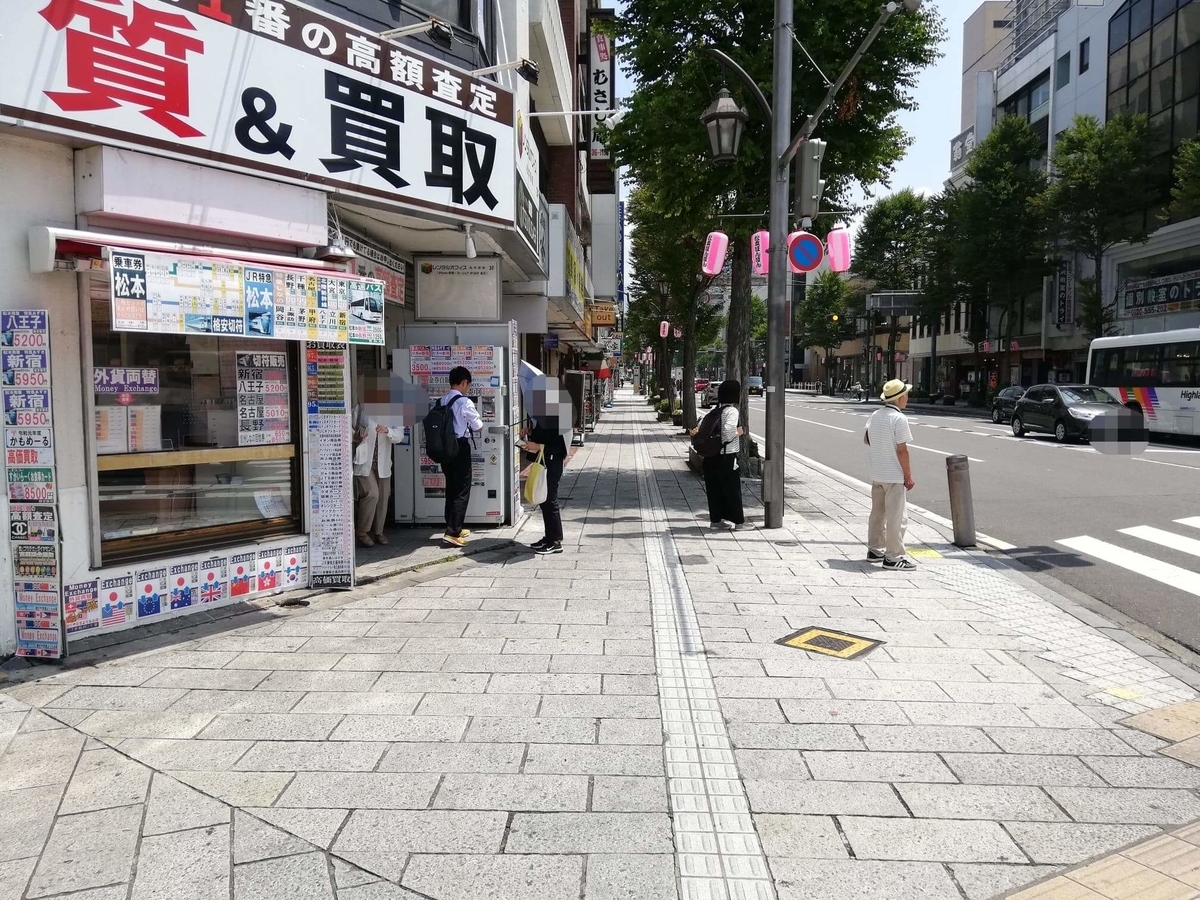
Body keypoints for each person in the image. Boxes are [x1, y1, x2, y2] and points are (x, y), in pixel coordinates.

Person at [863, 378, 916, 570]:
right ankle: (893, 557)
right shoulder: (899, 419)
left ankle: (875, 550)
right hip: (894, 475)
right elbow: (902, 450)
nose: (907, 398)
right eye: (906, 395)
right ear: (900, 398)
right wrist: (908, 475)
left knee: (877, 514)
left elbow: (867, 439)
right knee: (896, 517)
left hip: (878, 473)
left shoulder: (875, 415)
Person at [439, 366, 483, 548]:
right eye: (468, 385)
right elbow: (478, 426)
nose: (468, 389)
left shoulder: (442, 400)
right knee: (462, 489)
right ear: (464, 382)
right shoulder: (465, 402)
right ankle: (453, 532)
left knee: (451, 487)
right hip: (460, 448)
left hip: (444, 449)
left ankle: (452, 526)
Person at [352, 400, 404, 548]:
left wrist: (388, 431)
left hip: (383, 463)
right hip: (364, 461)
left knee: (383, 496)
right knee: (372, 494)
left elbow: (400, 436)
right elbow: (348, 427)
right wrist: (357, 435)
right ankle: (362, 531)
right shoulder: (360, 408)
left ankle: (378, 532)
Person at [520, 410, 569, 555]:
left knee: (549, 499)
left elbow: (559, 444)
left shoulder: (560, 416)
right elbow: (546, 435)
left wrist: (538, 446)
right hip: (547, 460)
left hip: (552, 461)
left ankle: (555, 541)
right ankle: (549, 537)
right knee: (544, 499)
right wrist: (530, 431)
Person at [703, 379, 746, 531]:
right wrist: (739, 432)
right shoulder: (732, 411)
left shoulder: (715, 411)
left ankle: (716, 521)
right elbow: (728, 432)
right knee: (732, 489)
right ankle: (739, 523)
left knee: (714, 489)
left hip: (710, 456)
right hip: (726, 456)